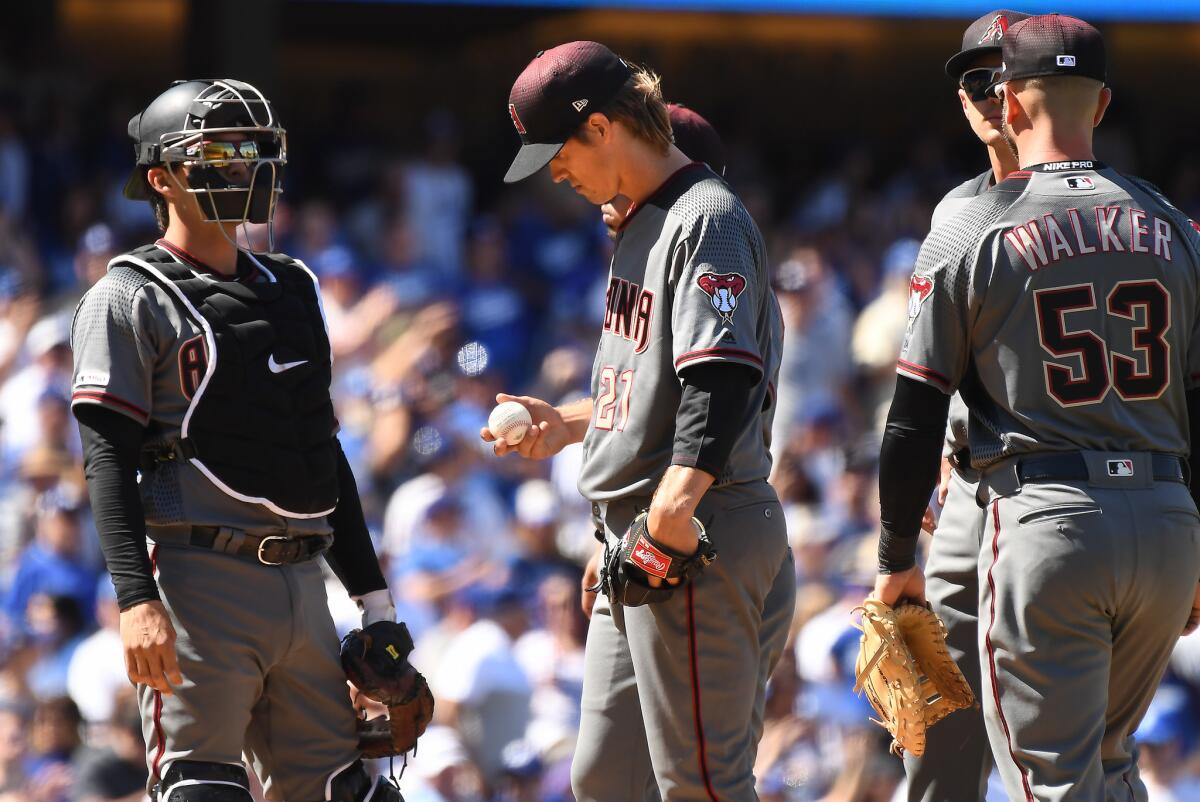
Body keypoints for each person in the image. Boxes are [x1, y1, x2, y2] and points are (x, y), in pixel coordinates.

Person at [874, 15, 1200, 800]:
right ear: (1103, 102)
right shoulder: (1173, 225)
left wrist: (891, 559)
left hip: (1044, 515)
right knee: (1110, 766)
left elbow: (913, 414)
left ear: (1012, 102)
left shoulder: (975, 231)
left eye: (997, 81)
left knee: (1047, 782)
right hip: (1160, 521)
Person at [69, 79, 401, 802]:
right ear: (161, 177)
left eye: (254, 150)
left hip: (305, 578)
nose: (243, 166)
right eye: (218, 152)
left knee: (354, 791)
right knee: (202, 789)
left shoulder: (294, 286)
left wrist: (375, 603)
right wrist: (135, 598)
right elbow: (107, 460)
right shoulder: (128, 295)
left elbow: (320, 450)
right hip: (197, 575)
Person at [488, 41, 794, 801]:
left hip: (696, 530)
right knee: (606, 778)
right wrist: (565, 425)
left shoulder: (705, 217)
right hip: (642, 527)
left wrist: (664, 517)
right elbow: (652, 392)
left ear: (598, 128)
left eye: (556, 150)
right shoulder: (642, 229)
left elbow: (720, 384)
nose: (555, 172)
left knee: (701, 787)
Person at [902, 10, 1027, 802]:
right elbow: (921, 378)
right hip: (967, 494)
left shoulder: (1121, 209)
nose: (984, 92)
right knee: (939, 746)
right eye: (970, 78)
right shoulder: (954, 213)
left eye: (1001, 74)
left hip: (1073, 493)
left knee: (1056, 753)